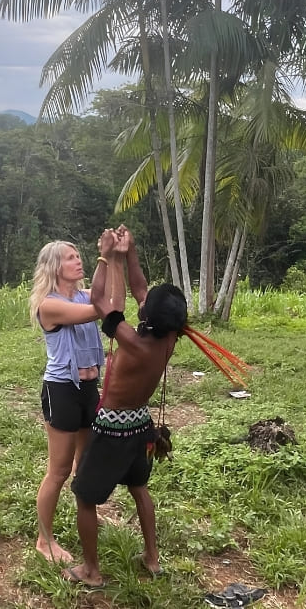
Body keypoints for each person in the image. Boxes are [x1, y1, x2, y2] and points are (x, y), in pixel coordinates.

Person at [63, 226, 187, 588]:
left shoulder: (133, 343)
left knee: (85, 498)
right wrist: (129, 252)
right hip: (140, 427)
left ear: (148, 316)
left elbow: (100, 299)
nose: (142, 299)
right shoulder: (169, 339)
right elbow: (140, 289)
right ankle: (152, 557)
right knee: (139, 489)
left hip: (113, 429)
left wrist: (105, 254)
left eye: (146, 303)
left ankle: (91, 571)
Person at [29, 240, 107, 564]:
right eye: (70, 258)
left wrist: (110, 259)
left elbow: (108, 299)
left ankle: (85, 516)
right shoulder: (49, 304)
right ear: (55, 267)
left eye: (79, 256)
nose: (78, 261)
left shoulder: (83, 294)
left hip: (89, 388)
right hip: (61, 390)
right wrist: (108, 258)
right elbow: (100, 309)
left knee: (84, 463)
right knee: (58, 471)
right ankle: (43, 540)